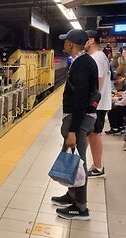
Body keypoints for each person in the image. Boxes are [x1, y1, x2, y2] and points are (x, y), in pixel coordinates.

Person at [52, 29, 97, 220]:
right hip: (80, 117)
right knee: (73, 158)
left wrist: (72, 130)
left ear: (71, 44)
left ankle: (81, 207)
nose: (63, 44)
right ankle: (71, 195)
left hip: (78, 119)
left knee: (79, 161)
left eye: (65, 41)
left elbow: (80, 99)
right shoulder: (83, 61)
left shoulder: (81, 64)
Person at [85, 30, 111, 178]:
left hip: (97, 105)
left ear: (91, 40)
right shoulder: (100, 56)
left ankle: (97, 166)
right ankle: (96, 165)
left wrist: (90, 103)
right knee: (93, 134)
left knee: (93, 134)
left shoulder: (97, 58)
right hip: (99, 104)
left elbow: (98, 82)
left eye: (85, 40)